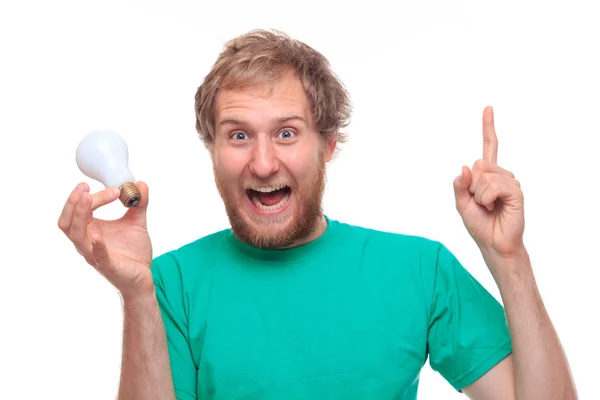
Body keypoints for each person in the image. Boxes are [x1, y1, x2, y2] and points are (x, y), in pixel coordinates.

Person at [58, 29, 577, 399]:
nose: (263, 163)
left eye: (287, 132)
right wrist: (137, 293)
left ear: (328, 144)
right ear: (212, 150)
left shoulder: (420, 271)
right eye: (239, 135)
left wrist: (509, 258)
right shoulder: (170, 282)